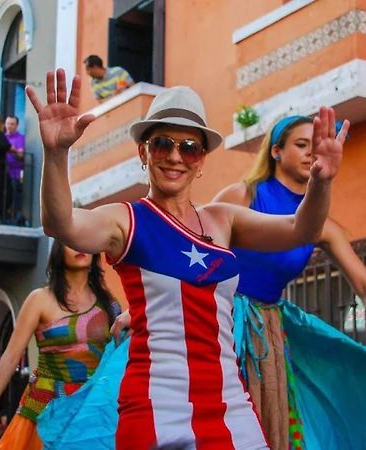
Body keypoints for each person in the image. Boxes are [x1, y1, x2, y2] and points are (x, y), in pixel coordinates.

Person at [25, 69, 348, 449]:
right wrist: (56, 153)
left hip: (229, 404)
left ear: (202, 160)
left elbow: (300, 229)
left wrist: (321, 183)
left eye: (189, 147)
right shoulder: (126, 219)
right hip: (156, 407)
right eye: (162, 143)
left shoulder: (222, 219)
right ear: (143, 152)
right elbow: (60, 223)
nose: (176, 156)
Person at [213, 115, 366, 450]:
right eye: (301, 145)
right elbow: (187, 250)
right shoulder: (242, 194)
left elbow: (362, 281)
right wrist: (146, 309)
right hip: (218, 322)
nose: (311, 153)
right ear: (277, 151)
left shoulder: (320, 223)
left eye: (316, 146)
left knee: (269, 423)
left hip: (267, 329)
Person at [0, 239, 118, 449]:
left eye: (84, 242)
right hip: (47, 406)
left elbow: (122, 359)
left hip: (92, 410)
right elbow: (11, 356)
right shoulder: (39, 299)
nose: (80, 247)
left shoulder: (110, 305)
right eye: (70, 242)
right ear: (58, 250)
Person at [4, 115, 26, 224]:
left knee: (14, 196)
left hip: (16, 174)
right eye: (8, 123)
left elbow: (21, 155)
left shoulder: (20, 138)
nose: (9, 126)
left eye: (12, 124)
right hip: (3, 173)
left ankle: (13, 218)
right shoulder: (3, 137)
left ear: (16, 125)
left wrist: (12, 149)